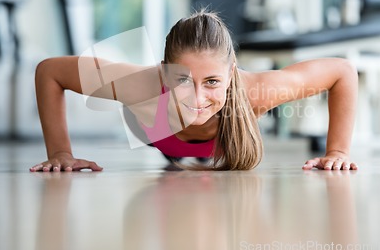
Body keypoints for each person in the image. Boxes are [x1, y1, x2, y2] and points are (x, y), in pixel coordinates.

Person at [30, 10, 359, 172]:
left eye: (212, 82)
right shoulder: (140, 85)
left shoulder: (255, 90)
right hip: (167, 156)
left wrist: (338, 152)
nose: (198, 99)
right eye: (181, 81)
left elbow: (342, 72)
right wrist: (60, 153)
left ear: (231, 74)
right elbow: (50, 72)